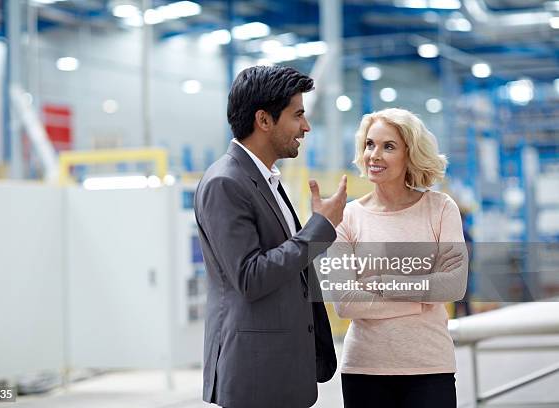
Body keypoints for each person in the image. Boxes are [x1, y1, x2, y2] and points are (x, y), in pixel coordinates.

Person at [194, 65, 347, 408]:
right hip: (255, 374)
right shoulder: (225, 183)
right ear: (264, 120)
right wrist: (319, 227)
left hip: (281, 369)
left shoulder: (265, 180)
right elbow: (250, 277)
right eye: (297, 115)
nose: (305, 127)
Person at [332, 108, 468, 408]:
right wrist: (423, 297)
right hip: (364, 369)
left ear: (411, 154)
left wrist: (380, 282)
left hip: (430, 367)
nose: (374, 155)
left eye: (388, 146)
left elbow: (454, 286)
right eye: (369, 144)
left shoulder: (441, 208)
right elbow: (344, 301)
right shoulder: (347, 216)